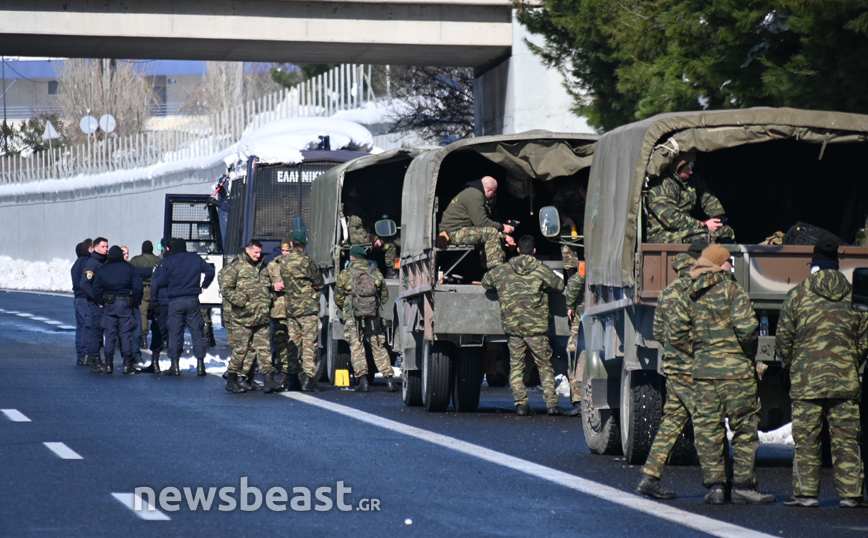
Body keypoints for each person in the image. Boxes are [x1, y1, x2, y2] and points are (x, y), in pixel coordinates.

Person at [670, 244, 774, 505]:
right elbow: (749, 330)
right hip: (737, 374)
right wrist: (745, 353)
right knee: (744, 429)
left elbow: (675, 334)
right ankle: (742, 487)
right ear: (720, 264)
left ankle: (716, 487)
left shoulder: (689, 292)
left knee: (708, 429)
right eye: (730, 262)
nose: (732, 267)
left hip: (705, 375)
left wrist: (700, 352)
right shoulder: (733, 290)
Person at [776, 240, 868, 508]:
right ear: (837, 266)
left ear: (813, 265)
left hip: (807, 382)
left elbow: (783, 339)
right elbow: (865, 338)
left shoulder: (797, 295)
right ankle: (851, 496)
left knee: (806, 439)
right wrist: (852, 361)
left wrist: (796, 365)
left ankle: (806, 495)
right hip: (845, 382)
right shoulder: (855, 296)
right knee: (847, 439)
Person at [636, 240, 707, 500]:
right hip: (695, 367)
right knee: (705, 419)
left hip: (674, 368)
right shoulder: (701, 288)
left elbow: (658, 332)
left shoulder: (668, 291)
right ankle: (717, 484)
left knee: (672, 423)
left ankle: (650, 478)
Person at [481, 235, 565, 416]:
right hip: (537, 329)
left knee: (516, 367)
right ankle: (551, 405)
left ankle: (521, 404)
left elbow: (486, 281)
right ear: (534, 251)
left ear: (518, 250)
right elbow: (559, 285)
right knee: (544, 366)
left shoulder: (504, 270)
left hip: (514, 329)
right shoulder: (541, 270)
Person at [220, 239, 281, 394]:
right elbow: (226, 288)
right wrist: (242, 301)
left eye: (260, 253)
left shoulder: (261, 267)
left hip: (261, 315)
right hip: (244, 317)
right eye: (256, 252)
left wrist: (270, 295)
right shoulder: (236, 267)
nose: (258, 255)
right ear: (248, 250)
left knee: (264, 349)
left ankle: (269, 381)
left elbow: (265, 286)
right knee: (241, 350)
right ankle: (232, 379)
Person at [334, 246, 396, 392]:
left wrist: (348, 307)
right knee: (378, 345)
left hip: (353, 316)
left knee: (356, 347)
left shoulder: (345, 274)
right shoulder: (375, 273)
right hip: (373, 317)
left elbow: (337, 297)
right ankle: (389, 380)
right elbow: (384, 296)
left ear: (352, 257)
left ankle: (363, 381)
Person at [152, 237, 215, 376]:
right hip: (193, 300)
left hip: (175, 301)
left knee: (175, 333)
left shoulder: (169, 262)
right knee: (197, 333)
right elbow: (210, 271)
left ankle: (175, 365)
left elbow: (161, 281)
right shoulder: (195, 259)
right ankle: (201, 365)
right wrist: (204, 286)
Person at [645, 151, 736, 244]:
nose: (691, 171)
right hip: (663, 234)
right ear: (678, 167)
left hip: (687, 228)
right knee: (704, 237)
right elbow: (671, 218)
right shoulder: (661, 185)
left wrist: (718, 218)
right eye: (688, 167)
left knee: (725, 231)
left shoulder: (692, 180)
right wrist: (702, 225)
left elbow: (707, 198)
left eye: (692, 166)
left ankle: (726, 257)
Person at [278, 231, 325, 392]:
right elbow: (319, 281)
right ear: (304, 245)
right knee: (309, 343)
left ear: (291, 245)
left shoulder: (284, 262)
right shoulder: (306, 261)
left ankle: (292, 379)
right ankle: (308, 380)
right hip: (307, 309)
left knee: (294, 344)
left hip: (291, 309)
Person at [438, 176, 517, 269]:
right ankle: (495, 272)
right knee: (491, 233)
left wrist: (504, 237)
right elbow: (481, 222)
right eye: (494, 192)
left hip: (458, 232)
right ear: (488, 190)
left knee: (492, 234)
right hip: (452, 234)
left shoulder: (473, 192)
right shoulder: (476, 194)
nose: (494, 196)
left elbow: (481, 228)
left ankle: (486, 272)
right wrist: (503, 227)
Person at [92, 246, 144, 375]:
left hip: (109, 304)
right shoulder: (129, 268)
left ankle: (109, 364)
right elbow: (138, 287)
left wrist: (100, 301)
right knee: (125, 334)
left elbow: (96, 288)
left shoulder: (103, 269)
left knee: (110, 334)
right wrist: (136, 301)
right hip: (125, 303)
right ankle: (127, 364)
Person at [342, 184, 400, 279]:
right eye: (356, 191)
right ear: (352, 191)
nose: (358, 193)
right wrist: (375, 239)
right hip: (361, 242)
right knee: (390, 245)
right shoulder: (354, 210)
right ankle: (392, 272)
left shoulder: (349, 206)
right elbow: (358, 233)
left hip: (359, 241)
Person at [268, 238, 302, 391]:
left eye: (288, 251)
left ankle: (295, 375)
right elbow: (262, 283)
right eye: (283, 251)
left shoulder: (300, 264)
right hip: (278, 311)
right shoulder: (273, 265)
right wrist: (273, 286)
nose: (285, 253)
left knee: (295, 344)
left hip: (295, 310)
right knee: (280, 343)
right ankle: (284, 374)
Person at [81, 237, 109, 373]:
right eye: (103, 247)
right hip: (96, 304)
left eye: (107, 247)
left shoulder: (103, 262)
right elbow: (85, 284)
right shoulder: (93, 263)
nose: (106, 249)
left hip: (103, 303)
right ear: (95, 248)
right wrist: (97, 299)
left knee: (101, 331)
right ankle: (95, 359)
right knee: (96, 332)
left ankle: (98, 358)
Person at [129, 240, 160, 348]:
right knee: (157, 313)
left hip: (143, 289)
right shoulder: (158, 260)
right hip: (157, 289)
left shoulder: (136, 260)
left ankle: (144, 337)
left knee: (143, 314)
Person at [564, 267, 585, 417]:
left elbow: (574, 282)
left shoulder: (588, 267)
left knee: (574, 354)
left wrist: (570, 305)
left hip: (584, 318)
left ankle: (578, 400)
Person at [71, 238, 93, 366]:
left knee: (80, 327)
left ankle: (81, 354)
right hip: (85, 298)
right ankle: (85, 354)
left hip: (78, 298)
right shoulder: (87, 263)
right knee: (87, 326)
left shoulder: (76, 263)